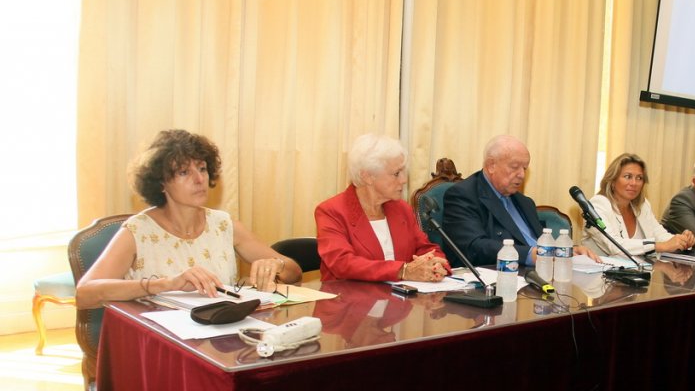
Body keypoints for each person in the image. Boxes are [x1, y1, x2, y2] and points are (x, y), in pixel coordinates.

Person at [76, 129, 303, 309]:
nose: (199, 179)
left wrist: (277, 265)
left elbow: (294, 271)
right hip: (161, 343)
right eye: (184, 172)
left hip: (220, 337)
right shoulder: (138, 231)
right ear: (161, 182)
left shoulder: (224, 225)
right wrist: (166, 284)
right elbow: (85, 293)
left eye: (202, 169)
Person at [442, 134, 599, 267]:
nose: (522, 175)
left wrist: (566, 250)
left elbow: (539, 243)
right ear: (491, 165)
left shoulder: (524, 202)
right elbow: (474, 247)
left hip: (540, 274)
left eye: (525, 168)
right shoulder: (462, 195)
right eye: (515, 167)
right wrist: (530, 255)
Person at [316, 133, 449, 282]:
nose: (404, 180)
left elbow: (426, 248)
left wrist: (435, 264)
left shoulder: (401, 208)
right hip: (349, 301)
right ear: (367, 176)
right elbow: (342, 263)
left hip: (400, 301)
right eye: (396, 173)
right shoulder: (331, 211)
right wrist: (403, 271)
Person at [581, 153, 695, 257]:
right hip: (602, 275)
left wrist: (682, 240)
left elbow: (659, 234)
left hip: (638, 274)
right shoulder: (598, 204)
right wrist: (659, 246)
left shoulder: (642, 205)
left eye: (639, 178)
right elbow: (614, 246)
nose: (634, 183)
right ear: (613, 180)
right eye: (627, 176)